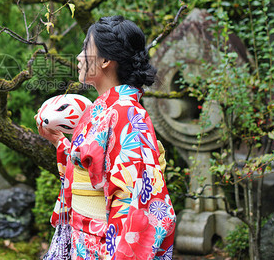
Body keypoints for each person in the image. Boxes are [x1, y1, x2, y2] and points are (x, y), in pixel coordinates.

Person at [37, 15, 176, 260]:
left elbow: (136, 199)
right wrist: (59, 142)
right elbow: (90, 173)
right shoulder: (99, 110)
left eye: (85, 49)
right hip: (84, 240)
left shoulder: (128, 113)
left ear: (105, 60)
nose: (79, 58)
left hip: (105, 247)